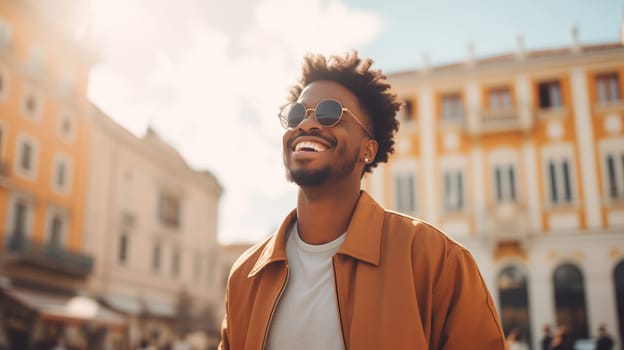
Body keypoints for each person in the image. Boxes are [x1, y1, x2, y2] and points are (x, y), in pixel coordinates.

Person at [219, 51, 506, 349]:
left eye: (330, 113)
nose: (306, 124)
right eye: (296, 114)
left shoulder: (435, 260)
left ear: (367, 150)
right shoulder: (246, 275)